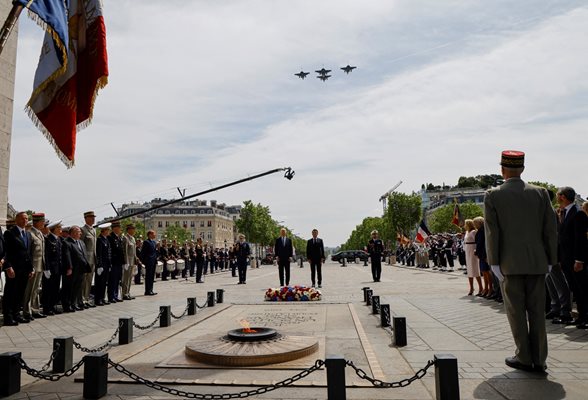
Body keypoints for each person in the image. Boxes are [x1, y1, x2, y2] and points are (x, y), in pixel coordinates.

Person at [484, 150, 557, 373]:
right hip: (538, 262)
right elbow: (550, 230)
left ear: (502, 170)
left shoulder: (493, 195)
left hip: (508, 262)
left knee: (516, 311)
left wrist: (494, 262)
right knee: (537, 311)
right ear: (522, 169)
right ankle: (540, 357)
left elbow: (492, 232)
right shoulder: (541, 193)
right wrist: (551, 260)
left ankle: (523, 356)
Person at [556, 187, 588, 329]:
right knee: (575, 289)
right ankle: (581, 316)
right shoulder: (566, 212)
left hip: (575, 261)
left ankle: (585, 317)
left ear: (563, 196)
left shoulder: (578, 213)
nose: (557, 197)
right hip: (567, 260)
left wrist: (579, 260)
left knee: (582, 289)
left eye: (558, 195)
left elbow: (580, 239)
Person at [2, 212, 34, 325]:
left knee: (20, 293)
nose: (25, 220)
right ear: (16, 220)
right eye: (23, 218)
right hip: (13, 269)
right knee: (10, 293)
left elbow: (28, 253)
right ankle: (8, 317)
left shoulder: (28, 234)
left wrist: (31, 269)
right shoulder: (9, 233)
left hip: (24, 270)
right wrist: (8, 267)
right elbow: (6, 252)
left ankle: (16, 314)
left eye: (26, 218)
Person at [22, 213, 46, 320]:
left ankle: (35, 309)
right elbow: (28, 253)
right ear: (37, 222)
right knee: (29, 290)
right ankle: (27, 311)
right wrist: (30, 267)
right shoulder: (30, 234)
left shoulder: (40, 233)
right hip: (33, 266)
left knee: (36, 289)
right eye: (42, 221)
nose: (44, 223)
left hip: (40, 265)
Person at [80, 211, 97, 308]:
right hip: (86, 259)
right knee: (84, 280)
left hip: (93, 259)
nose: (93, 219)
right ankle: (82, 299)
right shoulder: (83, 230)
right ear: (86, 218)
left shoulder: (93, 230)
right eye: (91, 217)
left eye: (93, 217)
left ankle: (86, 298)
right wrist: (83, 259)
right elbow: (81, 245)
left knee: (89, 281)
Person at [463, 219, 483, 296]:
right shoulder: (466, 232)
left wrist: (477, 251)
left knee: (475, 270)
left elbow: (478, 241)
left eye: (465, 224)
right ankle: (471, 287)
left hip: (473, 251)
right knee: (470, 270)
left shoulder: (474, 232)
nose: (464, 225)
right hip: (467, 251)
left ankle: (481, 287)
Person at [95, 223, 112, 306]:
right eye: (108, 230)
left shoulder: (106, 239)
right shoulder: (99, 240)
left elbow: (108, 253)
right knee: (100, 282)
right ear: (104, 231)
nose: (109, 231)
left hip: (106, 264)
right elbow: (99, 254)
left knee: (104, 282)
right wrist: (99, 265)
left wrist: (109, 265)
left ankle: (102, 297)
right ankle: (98, 299)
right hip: (102, 265)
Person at [107, 221, 124, 302]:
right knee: (112, 280)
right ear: (114, 228)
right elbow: (111, 251)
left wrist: (123, 262)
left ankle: (116, 295)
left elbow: (121, 251)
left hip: (119, 262)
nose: (120, 229)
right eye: (118, 228)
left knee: (117, 279)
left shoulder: (119, 237)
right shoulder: (110, 237)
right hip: (113, 262)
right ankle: (111, 296)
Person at [121, 224, 137, 300]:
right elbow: (125, 251)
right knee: (126, 278)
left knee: (130, 278)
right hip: (128, 261)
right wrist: (125, 261)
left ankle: (128, 292)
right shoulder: (125, 238)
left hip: (132, 261)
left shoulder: (133, 238)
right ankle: (124, 293)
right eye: (133, 229)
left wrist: (136, 260)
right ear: (129, 230)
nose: (134, 230)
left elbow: (134, 251)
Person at [140, 230, 158, 295]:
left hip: (153, 261)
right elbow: (143, 252)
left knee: (152, 276)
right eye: (153, 234)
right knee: (148, 276)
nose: (155, 235)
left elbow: (155, 252)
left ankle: (151, 289)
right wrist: (144, 261)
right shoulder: (146, 242)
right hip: (148, 261)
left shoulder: (153, 242)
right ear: (150, 234)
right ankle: (147, 291)